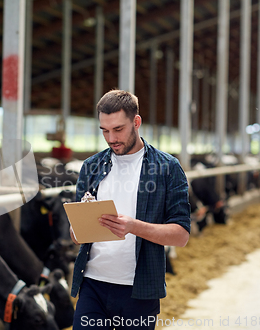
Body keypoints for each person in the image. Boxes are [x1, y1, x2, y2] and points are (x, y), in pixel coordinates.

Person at [70, 90, 191, 329]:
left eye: (118, 129)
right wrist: (77, 230)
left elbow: (181, 235)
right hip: (92, 284)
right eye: (104, 130)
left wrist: (133, 226)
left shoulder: (167, 168)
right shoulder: (91, 166)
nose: (111, 138)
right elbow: (75, 235)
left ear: (136, 122)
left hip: (139, 290)